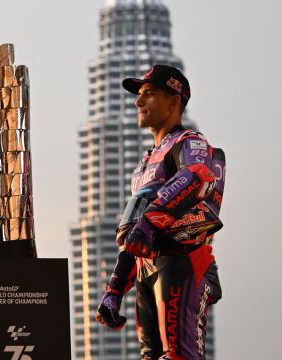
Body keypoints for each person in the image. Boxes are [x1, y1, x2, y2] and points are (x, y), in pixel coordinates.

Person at [94, 65, 225, 360]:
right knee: (151, 357)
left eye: (148, 94)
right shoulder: (144, 162)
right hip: (146, 267)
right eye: (139, 95)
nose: (138, 102)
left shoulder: (189, 141)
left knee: (178, 356)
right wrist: (114, 290)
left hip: (184, 260)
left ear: (173, 100)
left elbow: (197, 174)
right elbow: (135, 233)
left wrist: (152, 221)